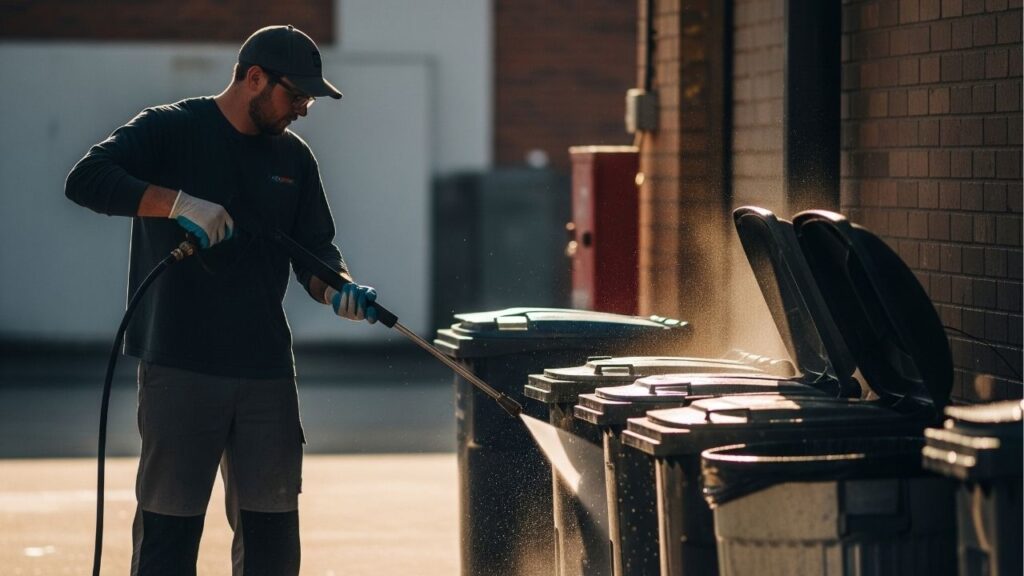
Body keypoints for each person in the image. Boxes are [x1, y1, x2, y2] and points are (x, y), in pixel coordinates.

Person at [65, 25, 376, 576]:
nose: (303, 108)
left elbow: (315, 253)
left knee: (273, 545)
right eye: (295, 94)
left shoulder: (294, 160)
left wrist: (339, 288)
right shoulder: (171, 130)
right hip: (180, 367)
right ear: (253, 77)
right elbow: (85, 179)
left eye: (309, 97)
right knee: (169, 538)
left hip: (265, 374)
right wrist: (175, 202)